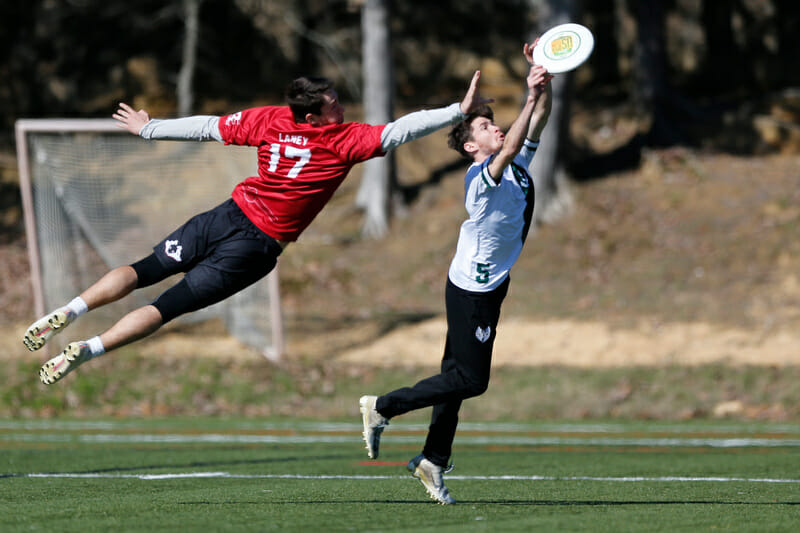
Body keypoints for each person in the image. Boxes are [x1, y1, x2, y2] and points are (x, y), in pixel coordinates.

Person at [26, 72, 492, 385]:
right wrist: (456, 110)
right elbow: (402, 129)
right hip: (256, 244)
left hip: (226, 214)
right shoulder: (345, 140)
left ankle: (71, 308)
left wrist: (152, 129)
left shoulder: (270, 119)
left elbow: (209, 126)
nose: (342, 108)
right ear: (313, 117)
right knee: (167, 306)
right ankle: (87, 349)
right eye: (334, 105)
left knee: (144, 267)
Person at [358, 42, 552, 505]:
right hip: (472, 291)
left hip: (490, 285)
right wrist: (527, 98)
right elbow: (509, 147)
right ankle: (383, 406)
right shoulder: (480, 179)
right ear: (471, 146)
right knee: (472, 380)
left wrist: (545, 81)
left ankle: (433, 460)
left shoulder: (517, 163)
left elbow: (539, 120)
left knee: (455, 375)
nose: (496, 127)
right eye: (486, 126)